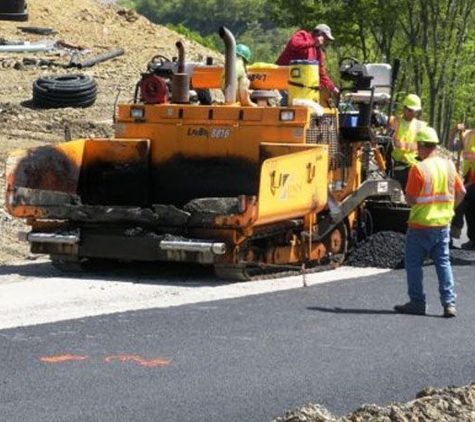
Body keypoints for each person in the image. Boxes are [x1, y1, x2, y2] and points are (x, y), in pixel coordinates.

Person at [394, 126, 466, 318]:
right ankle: (449, 303)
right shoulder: (449, 166)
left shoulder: (419, 168)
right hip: (442, 225)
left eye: (418, 146)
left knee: (414, 264)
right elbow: (461, 192)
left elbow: (410, 199)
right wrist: (449, 209)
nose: (416, 150)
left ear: (425, 146)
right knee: (443, 263)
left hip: (420, 225)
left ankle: (417, 303)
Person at [276, 24, 338, 105]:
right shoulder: (303, 35)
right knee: (284, 105)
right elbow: (294, 44)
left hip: (299, 88)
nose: (326, 42)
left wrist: (333, 89)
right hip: (281, 82)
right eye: (326, 39)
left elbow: (322, 74)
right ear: (318, 34)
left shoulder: (319, 54)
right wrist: (313, 42)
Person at [388, 94, 427, 190]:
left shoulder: (420, 126)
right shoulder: (394, 122)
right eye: (410, 110)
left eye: (415, 111)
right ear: (404, 108)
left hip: (412, 166)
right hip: (394, 165)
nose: (413, 113)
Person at [449, 122, 475, 249]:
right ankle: (473, 240)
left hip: (473, 180)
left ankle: (455, 229)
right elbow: (452, 147)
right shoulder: (467, 135)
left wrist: (469, 183)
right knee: (470, 211)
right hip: (468, 176)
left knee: (461, 199)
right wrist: (454, 132)